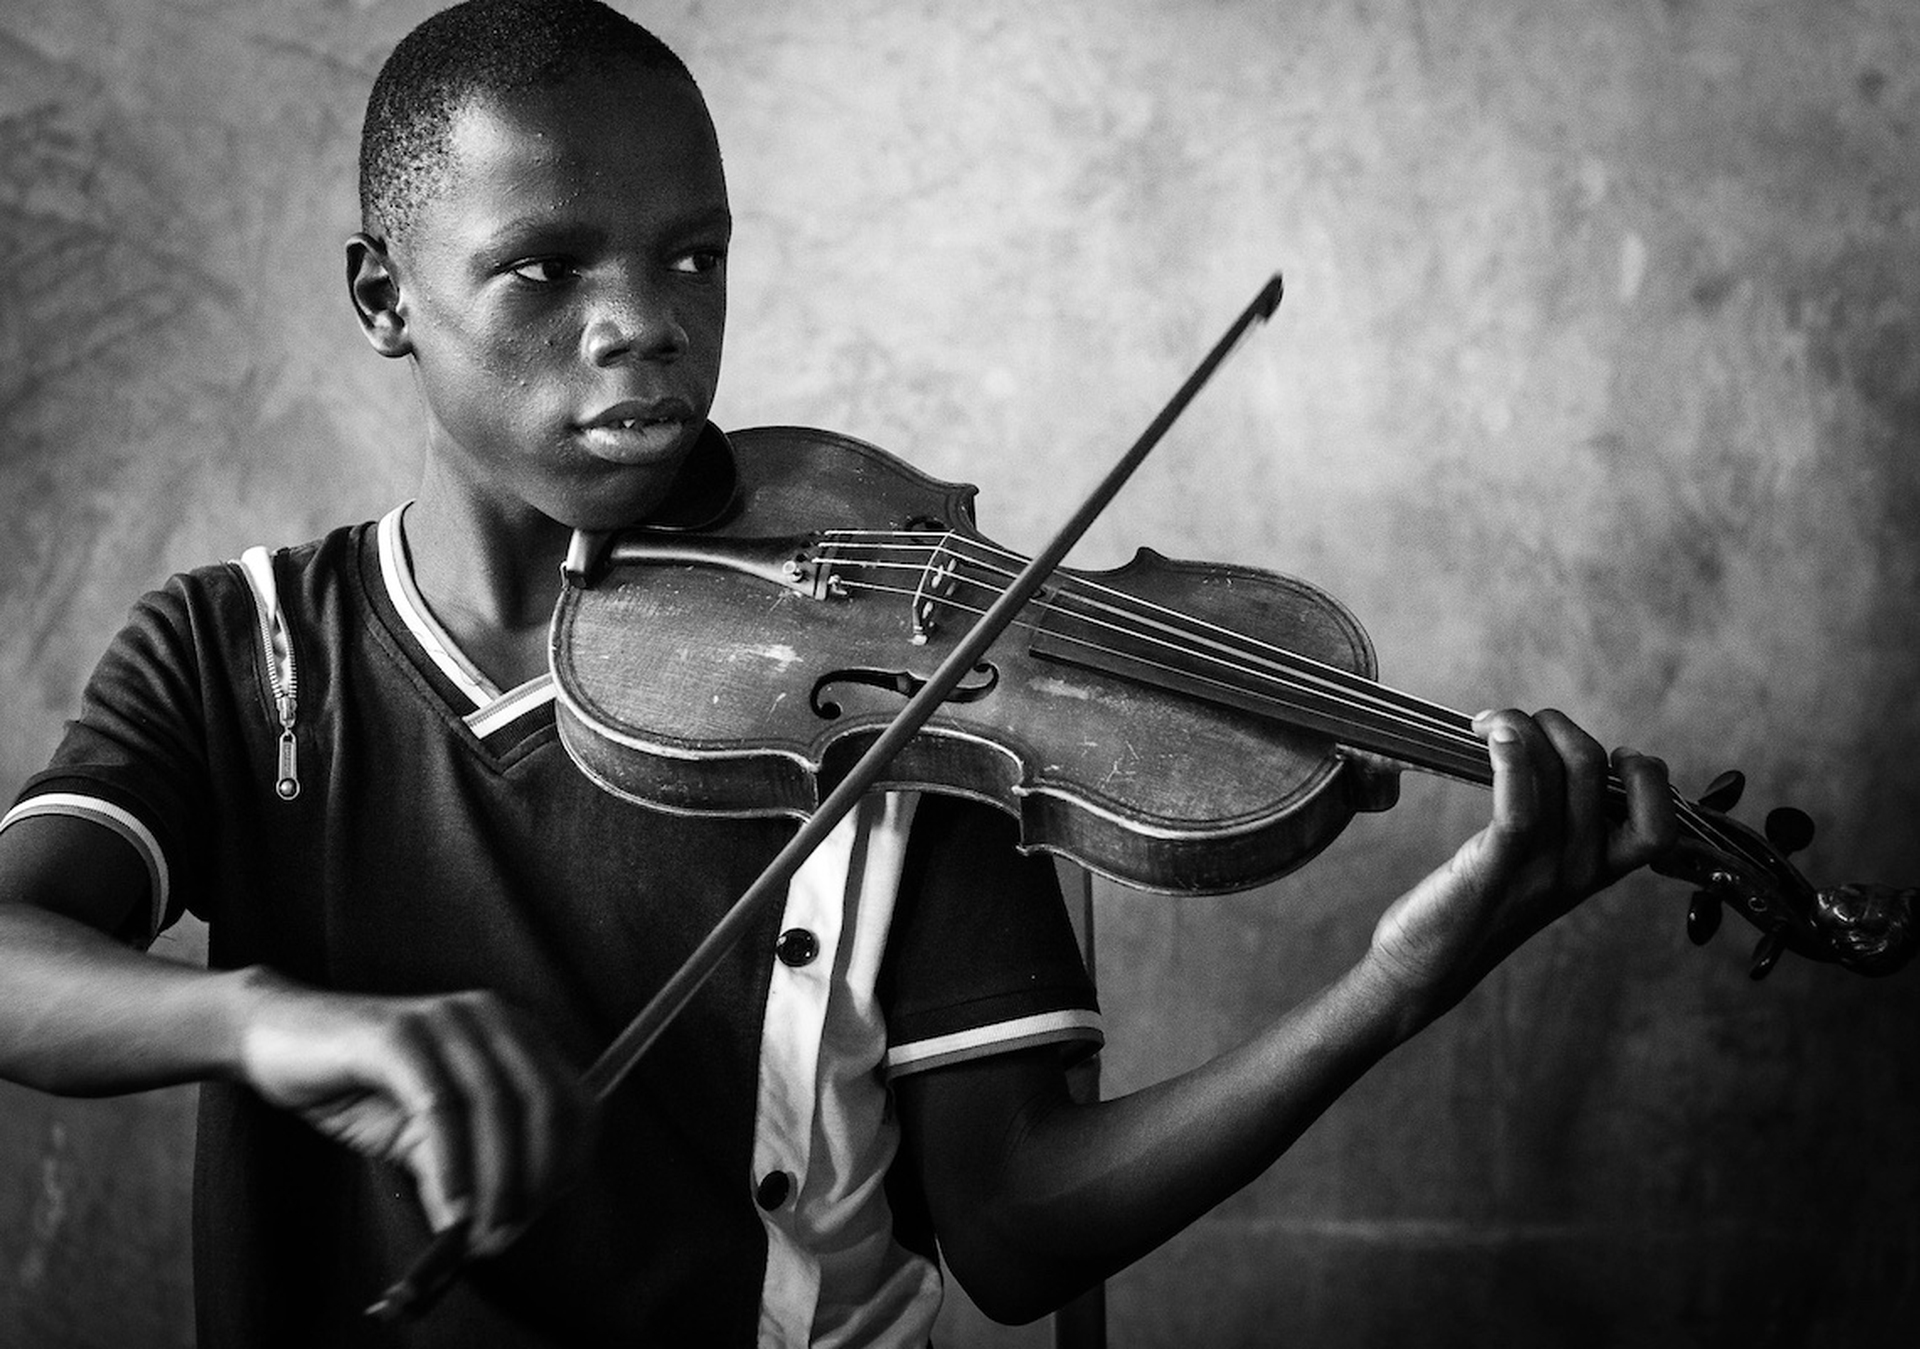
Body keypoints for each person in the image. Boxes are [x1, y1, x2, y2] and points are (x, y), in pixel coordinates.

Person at [0, 1, 1677, 1344]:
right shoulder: (244, 656)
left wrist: (1390, 987)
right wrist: (263, 1023)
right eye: (546, 265)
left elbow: (1015, 1228)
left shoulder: (897, 668)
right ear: (386, 295)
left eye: (691, 255)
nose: (643, 321)